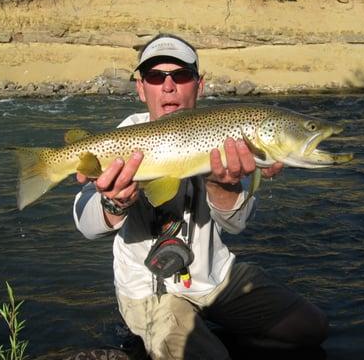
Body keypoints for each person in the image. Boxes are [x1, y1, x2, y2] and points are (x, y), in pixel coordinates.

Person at [73, 33, 328, 359]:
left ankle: (221, 339)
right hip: (152, 291)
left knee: (312, 327)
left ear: (199, 85)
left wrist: (222, 185)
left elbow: (237, 225)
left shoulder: (228, 136)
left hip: (214, 277)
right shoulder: (118, 142)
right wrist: (114, 202)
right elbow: (85, 222)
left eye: (180, 76)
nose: (168, 86)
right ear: (140, 89)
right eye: (155, 77)